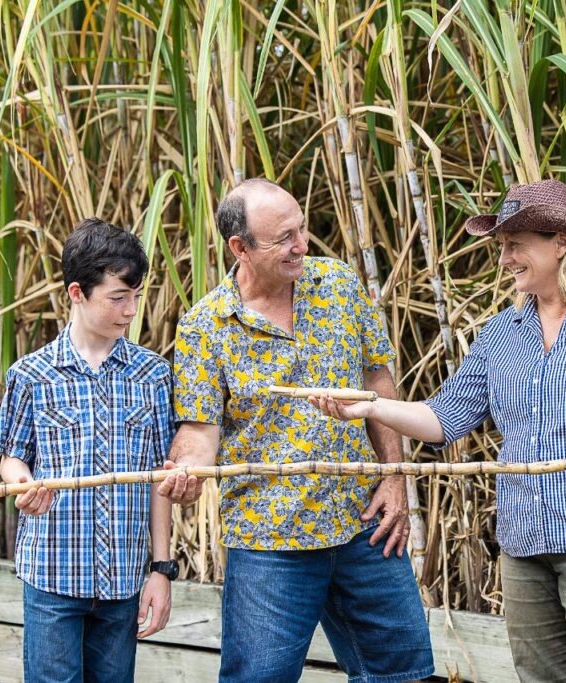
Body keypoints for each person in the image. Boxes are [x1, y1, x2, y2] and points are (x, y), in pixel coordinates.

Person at [311, 179, 566, 683]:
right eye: (501, 247)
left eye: (516, 245)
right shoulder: (500, 333)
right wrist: (368, 407)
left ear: (561, 242)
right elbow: (441, 419)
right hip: (525, 545)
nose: (505, 259)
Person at [158, 178, 434, 683]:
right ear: (240, 248)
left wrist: (394, 477)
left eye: (301, 229)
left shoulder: (339, 284)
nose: (302, 245)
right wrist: (187, 472)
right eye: (284, 238)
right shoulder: (205, 327)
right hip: (271, 540)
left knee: (401, 673)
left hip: (363, 522)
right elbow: (200, 430)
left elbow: (377, 380)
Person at [0, 218, 177, 682]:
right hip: (53, 575)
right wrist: (21, 483)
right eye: (118, 298)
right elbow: (12, 455)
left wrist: (160, 569)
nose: (131, 310)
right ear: (77, 293)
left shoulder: (153, 375)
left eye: (136, 296)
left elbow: (161, 477)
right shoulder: (30, 375)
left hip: (123, 579)